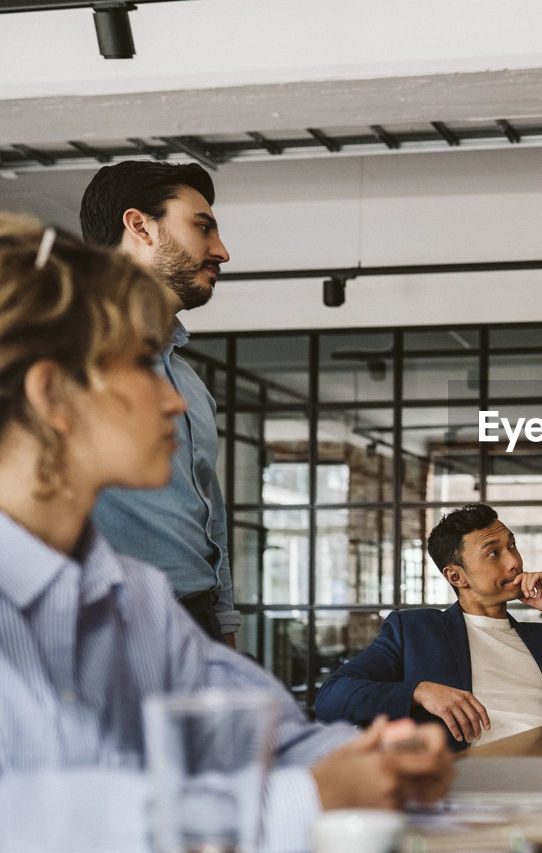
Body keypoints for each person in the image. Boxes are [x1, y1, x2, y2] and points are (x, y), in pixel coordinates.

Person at [0, 216, 452, 851]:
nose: (175, 402)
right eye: (138, 364)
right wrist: (313, 796)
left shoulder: (135, 598)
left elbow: (273, 735)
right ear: (53, 396)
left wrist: (378, 757)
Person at [315, 503, 542, 749]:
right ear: (456, 576)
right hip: (465, 779)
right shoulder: (415, 630)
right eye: (493, 553)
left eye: (511, 545)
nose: (514, 561)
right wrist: (420, 691)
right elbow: (331, 698)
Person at [79, 160, 237, 646]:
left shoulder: (190, 385)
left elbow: (210, 515)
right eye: (202, 227)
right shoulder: (60, 356)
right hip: (106, 626)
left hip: (197, 623)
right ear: (140, 226)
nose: (223, 252)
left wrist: (224, 627)